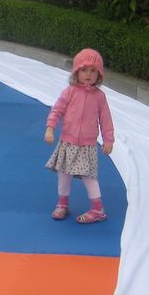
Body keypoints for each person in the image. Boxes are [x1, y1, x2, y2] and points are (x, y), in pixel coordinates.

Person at [44, 48, 115, 224]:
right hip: (67, 142)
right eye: (84, 70)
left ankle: (98, 209)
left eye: (93, 71)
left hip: (87, 145)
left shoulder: (100, 97)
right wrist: (50, 128)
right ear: (76, 72)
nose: (88, 74)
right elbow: (57, 110)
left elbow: (106, 119)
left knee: (88, 176)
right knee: (63, 174)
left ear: (99, 75)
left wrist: (108, 140)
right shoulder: (69, 92)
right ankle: (62, 204)